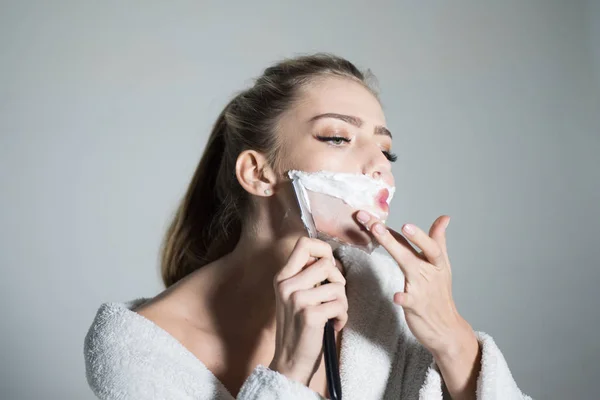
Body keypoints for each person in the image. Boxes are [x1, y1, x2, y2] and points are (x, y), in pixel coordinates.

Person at [84, 53, 531, 399]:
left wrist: (452, 336)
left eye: (387, 151)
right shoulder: (141, 348)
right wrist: (290, 372)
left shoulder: (383, 294)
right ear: (258, 174)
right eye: (338, 137)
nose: (379, 167)